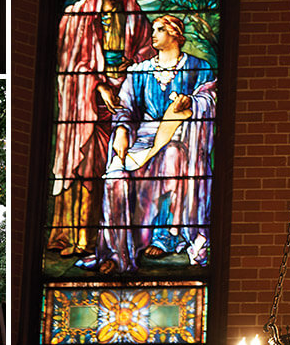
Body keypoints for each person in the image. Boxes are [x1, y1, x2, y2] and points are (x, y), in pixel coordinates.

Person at [87, 15, 216, 273]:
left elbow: (211, 98)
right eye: (153, 29)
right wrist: (121, 130)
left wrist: (191, 102)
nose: (153, 34)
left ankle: (166, 236)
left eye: (160, 29)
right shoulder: (139, 71)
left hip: (180, 136)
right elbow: (125, 107)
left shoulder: (198, 67)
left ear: (175, 33)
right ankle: (118, 250)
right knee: (116, 176)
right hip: (142, 138)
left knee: (172, 158)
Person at [47, 0, 152, 257]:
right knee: (85, 165)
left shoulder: (135, 18)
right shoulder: (76, 16)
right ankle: (77, 237)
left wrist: (132, 65)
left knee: (116, 165)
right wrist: (99, 85)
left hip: (125, 98)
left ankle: (110, 239)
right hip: (85, 104)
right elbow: (69, 64)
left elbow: (147, 50)